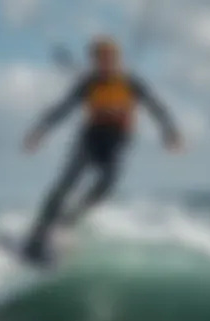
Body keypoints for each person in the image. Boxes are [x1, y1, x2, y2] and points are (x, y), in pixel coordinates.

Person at [21, 36, 183, 265]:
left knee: (106, 187)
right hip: (89, 141)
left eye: (108, 58)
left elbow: (156, 107)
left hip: (116, 145)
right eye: (99, 59)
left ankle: (67, 223)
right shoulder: (88, 84)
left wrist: (170, 132)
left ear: (116, 59)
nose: (104, 63)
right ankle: (37, 237)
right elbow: (62, 108)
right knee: (63, 186)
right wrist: (39, 131)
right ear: (95, 61)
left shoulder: (131, 83)